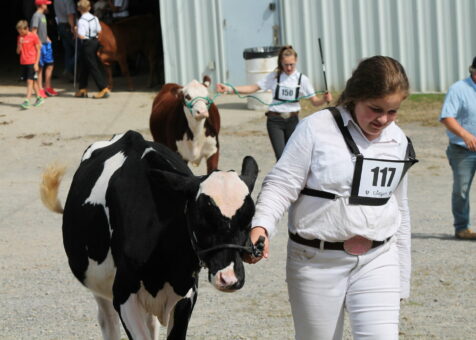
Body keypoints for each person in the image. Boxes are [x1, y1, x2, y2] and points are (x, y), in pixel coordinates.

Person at [246, 56, 418, 339]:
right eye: (375, 109)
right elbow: (281, 184)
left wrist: (402, 277)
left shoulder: (397, 140)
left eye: (393, 111)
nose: (383, 120)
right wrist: (261, 225)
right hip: (315, 262)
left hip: (379, 260)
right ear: (355, 97)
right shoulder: (316, 129)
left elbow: (400, 208)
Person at [216, 45, 332, 160]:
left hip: (292, 120)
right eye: (286, 65)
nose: (289, 68)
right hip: (275, 121)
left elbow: (315, 101)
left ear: (296, 61)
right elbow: (253, 87)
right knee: (281, 157)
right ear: (281, 62)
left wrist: (324, 99)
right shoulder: (274, 76)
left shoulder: (302, 79)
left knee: (293, 156)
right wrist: (229, 89)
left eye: (292, 64)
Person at [439, 57, 476, 240]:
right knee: (461, 189)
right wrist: (466, 135)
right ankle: (462, 228)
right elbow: (447, 117)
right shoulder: (458, 89)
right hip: (463, 150)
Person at [75, 0, 110, 99]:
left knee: (92, 66)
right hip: (94, 41)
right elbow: (99, 31)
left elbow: (81, 36)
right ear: (89, 8)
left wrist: (76, 31)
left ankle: (103, 88)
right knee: (84, 65)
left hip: (87, 43)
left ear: (79, 9)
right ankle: (82, 88)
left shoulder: (81, 21)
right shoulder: (95, 18)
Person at [31, 0, 58, 97]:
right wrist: (38, 44)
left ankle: (48, 87)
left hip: (46, 44)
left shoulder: (43, 16)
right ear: (41, 5)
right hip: (40, 45)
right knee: (40, 68)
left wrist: (47, 38)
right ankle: (40, 89)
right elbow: (33, 32)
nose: (47, 5)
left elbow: (42, 30)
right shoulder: (36, 16)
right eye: (46, 4)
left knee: (50, 64)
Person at [16, 20, 44, 109]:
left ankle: (27, 100)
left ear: (26, 28)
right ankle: (39, 98)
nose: (21, 33)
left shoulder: (33, 36)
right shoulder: (19, 37)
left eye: (22, 31)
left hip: (32, 62)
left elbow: (39, 50)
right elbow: (17, 52)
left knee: (29, 81)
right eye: (19, 32)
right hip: (23, 62)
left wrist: (36, 63)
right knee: (33, 82)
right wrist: (20, 44)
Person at [54, 0, 77, 81]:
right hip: (68, 26)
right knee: (79, 50)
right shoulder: (68, 1)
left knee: (68, 51)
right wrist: (73, 28)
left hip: (60, 25)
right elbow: (70, 14)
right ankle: (68, 69)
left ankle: (70, 74)